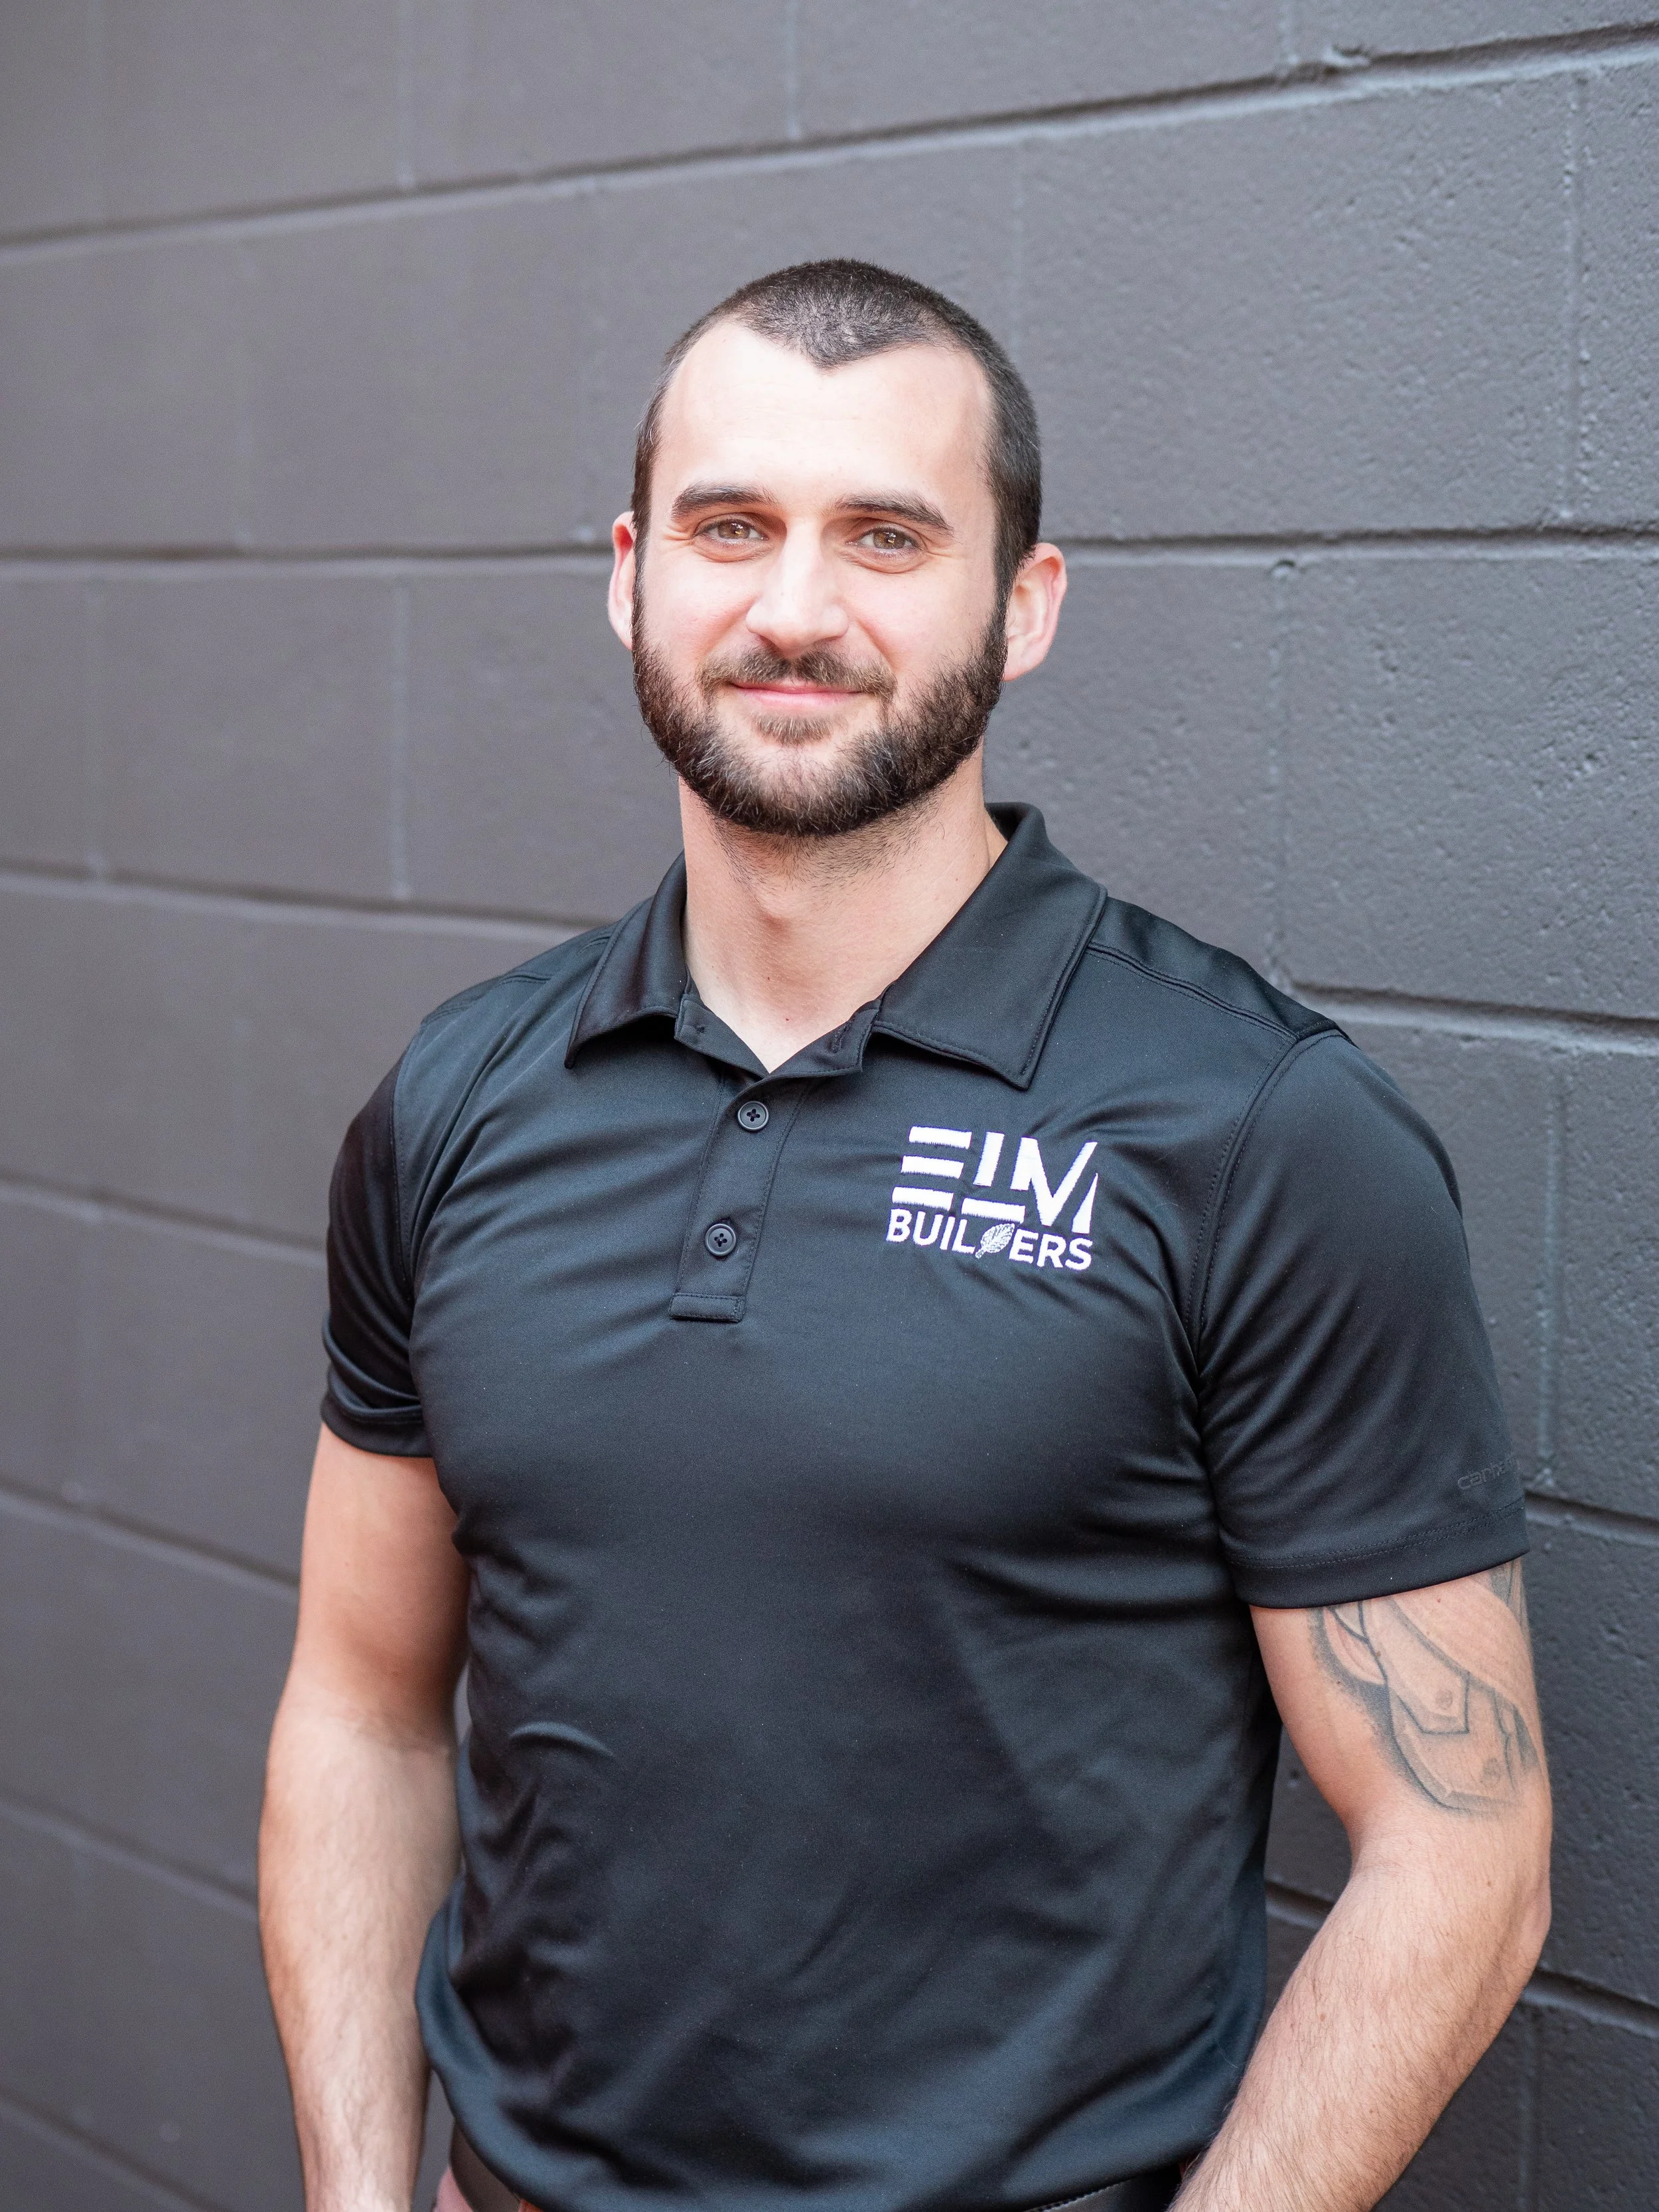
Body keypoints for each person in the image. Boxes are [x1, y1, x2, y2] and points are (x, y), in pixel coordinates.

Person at [259, 260, 1551, 2212]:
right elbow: (360, 1707)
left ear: (1019, 604)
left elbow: (1463, 1849)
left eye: (884, 534)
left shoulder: (1252, 1125)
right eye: (729, 528)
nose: (793, 608)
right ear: (628, 575)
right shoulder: (460, 1101)